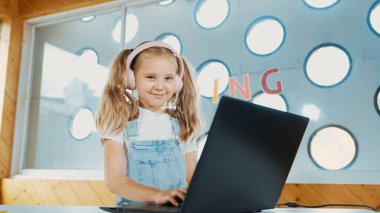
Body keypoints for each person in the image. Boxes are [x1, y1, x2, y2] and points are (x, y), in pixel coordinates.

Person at [96, 41, 203, 207]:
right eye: (150, 77)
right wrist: (158, 195)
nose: (160, 86)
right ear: (131, 79)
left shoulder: (183, 125)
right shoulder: (119, 121)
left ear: (177, 83)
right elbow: (115, 181)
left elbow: (194, 179)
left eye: (168, 78)